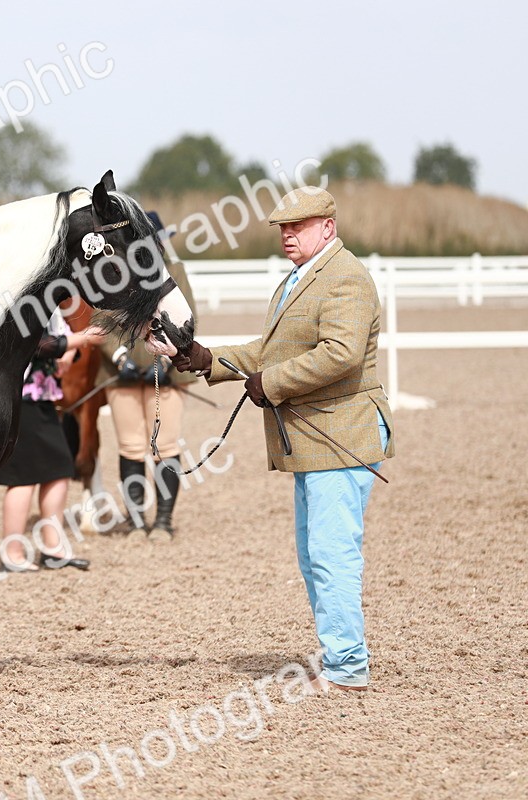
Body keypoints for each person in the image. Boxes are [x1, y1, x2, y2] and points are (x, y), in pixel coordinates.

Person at [173, 186, 394, 691]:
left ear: (328, 228)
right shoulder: (302, 279)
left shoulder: (345, 279)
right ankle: (340, 656)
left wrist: (271, 383)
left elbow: (341, 355)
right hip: (318, 436)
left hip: (341, 431)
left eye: (297, 226)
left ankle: (347, 667)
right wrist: (211, 359)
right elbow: (272, 349)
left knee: (331, 552)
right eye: (282, 228)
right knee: (314, 553)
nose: (287, 235)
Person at [97, 212, 197, 542]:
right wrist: (121, 357)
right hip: (120, 374)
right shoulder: (113, 275)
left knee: (165, 445)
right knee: (130, 446)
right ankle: (136, 519)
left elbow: (187, 317)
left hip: (165, 372)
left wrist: (169, 361)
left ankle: (164, 521)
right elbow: (103, 319)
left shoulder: (175, 271)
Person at [0, 310, 106, 572]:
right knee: (23, 477)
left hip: (42, 396)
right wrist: (82, 338)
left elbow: (61, 339)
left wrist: (68, 352)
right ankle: (12, 552)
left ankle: (52, 547)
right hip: (21, 397)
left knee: (59, 469)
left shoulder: (51, 307)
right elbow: (37, 343)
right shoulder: (24, 303)